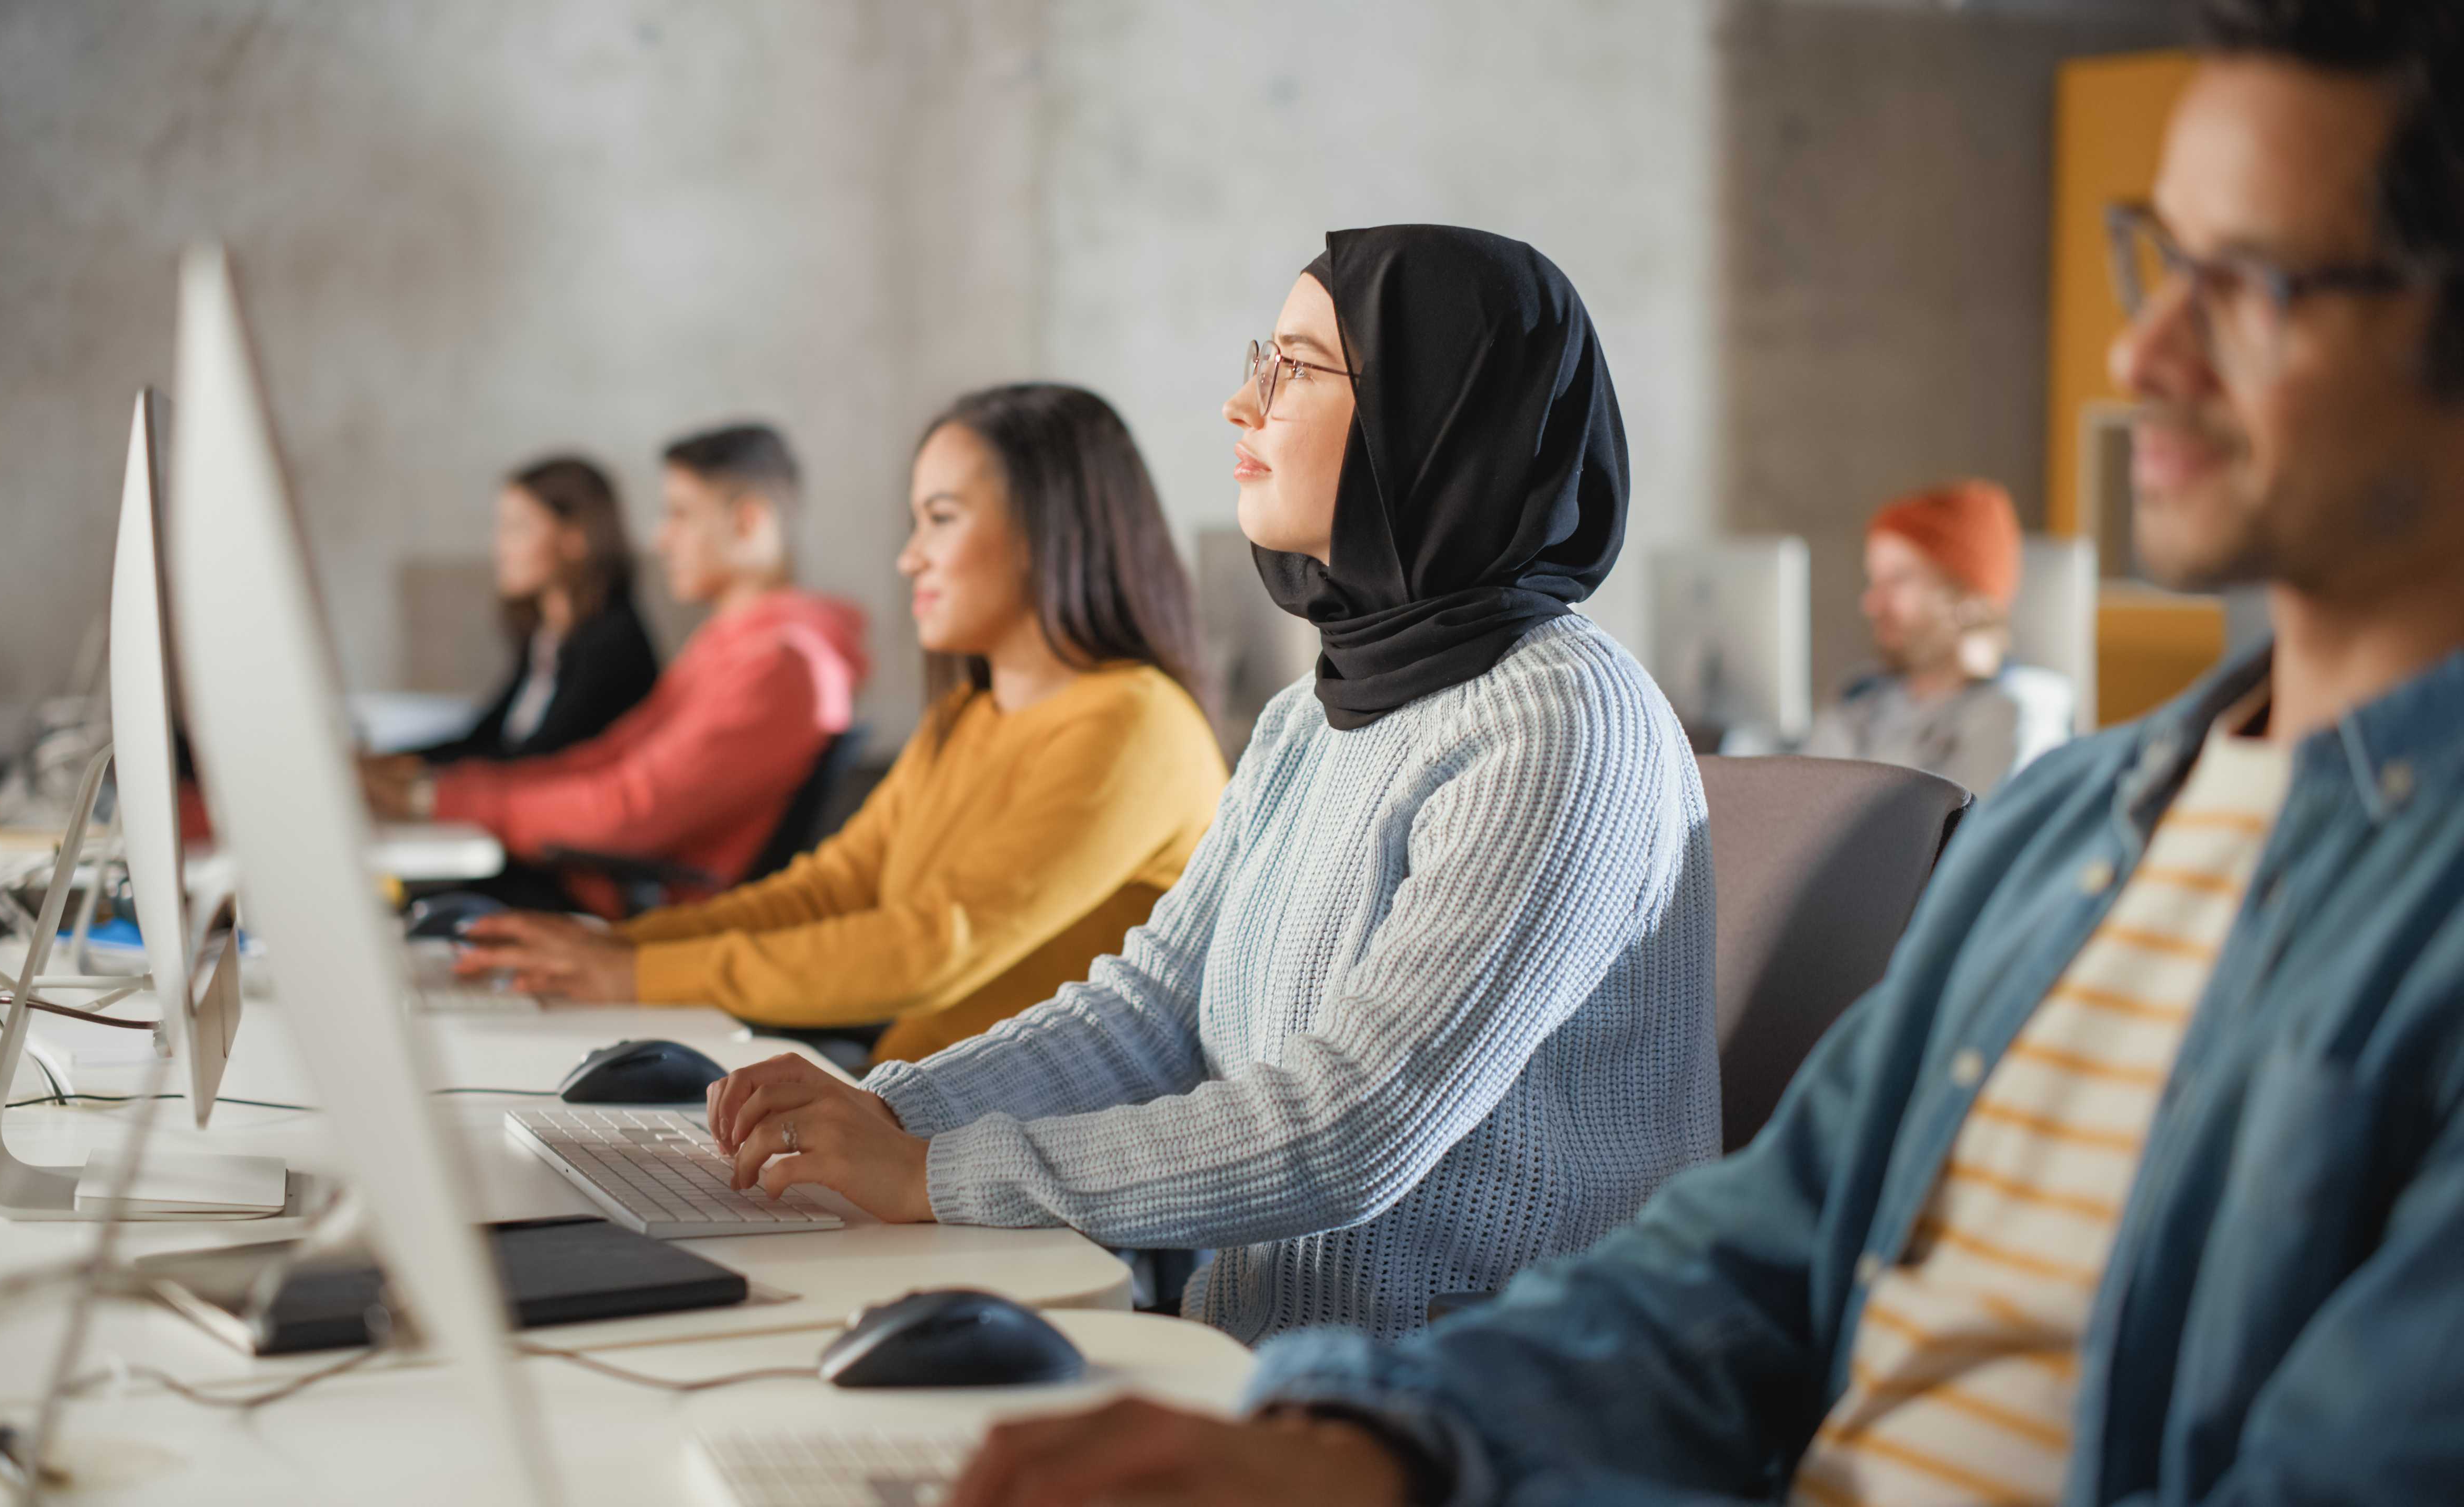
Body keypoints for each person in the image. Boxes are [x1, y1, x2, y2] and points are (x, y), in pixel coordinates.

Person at [937, 4, 2464, 1503]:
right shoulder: (2067, 832)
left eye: (2246, 281)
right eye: (2157, 262)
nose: (2141, 345)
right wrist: (1360, 1447)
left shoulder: (2411, 897)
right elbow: (1747, 1264)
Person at [698, 226, 1719, 1345]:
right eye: (1258, 360)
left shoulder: (1562, 722)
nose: (1242, 405)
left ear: (1438, 413)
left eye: (1294, 368)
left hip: (1468, 1405)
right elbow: (1150, 1017)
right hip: (1258, 1366)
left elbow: (1352, 1127)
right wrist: (884, 1111)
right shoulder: (1308, 716)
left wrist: (934, 1174)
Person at [456, 386, 1229, 1059]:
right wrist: (620, 949)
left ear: (1048, 533)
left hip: (1020, 1152)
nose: (910, 558)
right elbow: (835, 890)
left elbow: (934, 944)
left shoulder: (1133, 725)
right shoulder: (970, 711)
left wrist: (637, 976)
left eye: (941, 519)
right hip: (912, 1102)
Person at [365, 424, 869, 911]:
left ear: (748, 523)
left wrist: (440, 800)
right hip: (595, 879)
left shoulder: (779, 665)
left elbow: (629, 810)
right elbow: (607, 760)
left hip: (626, 909)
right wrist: (444, 791)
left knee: (381, 904)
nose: (659, 540)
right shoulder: (732, 646)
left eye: (679, 515)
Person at [1802, 478, 2074, 796]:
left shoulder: (2009, 717)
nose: (1872, 603)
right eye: (1874, 580)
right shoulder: (1858, 699)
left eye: (1899, 579)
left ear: (1969, 597)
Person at [407, 455, 657, 763]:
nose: (499, 548)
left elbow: (536, 761)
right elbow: (489, 736)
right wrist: (389, 763)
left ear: (575, 538)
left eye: (517, 529)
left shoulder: (614, 646)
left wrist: (410, 778)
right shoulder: (549, 635)